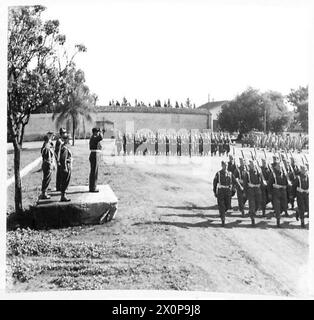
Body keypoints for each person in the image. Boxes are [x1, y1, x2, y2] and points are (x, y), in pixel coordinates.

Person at [213, 161, 237, 226]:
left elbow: (234, 182)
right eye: (224, 165)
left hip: (228, 191)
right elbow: (215, 183)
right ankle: (223, 219)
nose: (225, 167)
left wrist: (233, 190)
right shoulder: (218, 173)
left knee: (228, 205)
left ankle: (222, 213)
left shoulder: (230, 173)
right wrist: (215, 191)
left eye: (226, 165)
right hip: (221, 191)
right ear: (222, 166)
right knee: (221, 205)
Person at [268, 161, 289, 227]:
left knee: (284, 206)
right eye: (278, 166)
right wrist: (270, 193)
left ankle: (278, 214)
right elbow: (269, 184)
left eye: (280, 166)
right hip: (276, 192)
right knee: (277, 206)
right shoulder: (273, 174)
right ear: (275, 167)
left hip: (283, 192)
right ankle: (278, 220)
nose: (280, 167)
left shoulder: (283, 174)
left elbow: (286, 183)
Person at [243, 160, 264, 226]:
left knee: (258, 204)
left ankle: (253, 213)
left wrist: (261, 175)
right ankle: (252, 219)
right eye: (252, 165)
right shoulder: (247, 173)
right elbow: (245, 183)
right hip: (251, 191)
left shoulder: (258, 172)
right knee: (252, 204)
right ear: (250, 166)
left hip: (257, 190)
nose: (253, 166)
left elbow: (262, 182)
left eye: (254, 165)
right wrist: (245, 192)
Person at [292, 164, 309, 228]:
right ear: (301, 170)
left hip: (306, 194)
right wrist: (293, 195)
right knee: (302, 208)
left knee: (307, 208)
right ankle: (302, 222)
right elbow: (294, 187)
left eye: (305, 170)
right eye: (303, 170)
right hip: (300, 195)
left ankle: (297, 211)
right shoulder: (298, 178)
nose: (304, 171)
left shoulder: (308, 176)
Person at [39, 133, 54, 199]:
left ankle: (44, 191)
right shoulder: (47, 146)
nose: (53, 138)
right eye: (52, 137)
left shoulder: (46, 145)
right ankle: (44, 193)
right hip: (47, 164)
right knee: (47, 178)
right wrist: (50, 164)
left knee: (47, 178)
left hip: (46, 164)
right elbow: (48, 157)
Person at [89, 127, 103, 192]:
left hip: (95, 154)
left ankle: (93, 187)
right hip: (94, 155)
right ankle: (93, 188)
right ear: (94, 132)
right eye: (97, 132)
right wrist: (101, 132)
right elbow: (101, 137)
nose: (98, 133)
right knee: (94, 172)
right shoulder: (94, 137)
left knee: (94, 172)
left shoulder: (94, 138)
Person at [59, 134, 72, 202]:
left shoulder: (65, 147)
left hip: (67, 165)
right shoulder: (64, 148)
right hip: (66, 166)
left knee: (66, 181)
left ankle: (64, 195)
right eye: (69, 139)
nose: (70, 140)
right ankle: (63, 196)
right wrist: (65, 168)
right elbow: (63, 159)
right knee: (65, 181)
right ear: (66, 140)